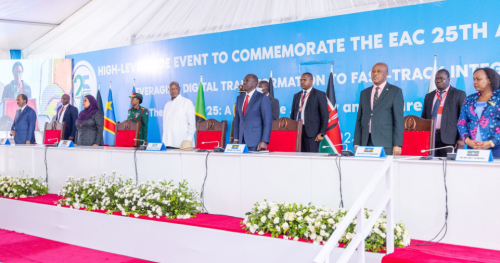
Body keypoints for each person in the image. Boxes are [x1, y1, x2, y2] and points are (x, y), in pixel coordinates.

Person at [354, 63, 404, 155]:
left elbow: (398, 120)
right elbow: (359, 119)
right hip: (365, 142)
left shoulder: (395, 91)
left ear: (386, 74)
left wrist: (397, 144)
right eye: (373, 71)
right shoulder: (364, 93)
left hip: (385, 142)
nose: (375, 74)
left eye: (379, 71)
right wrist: (356, 142)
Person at [421, 69, 466, 156]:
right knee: (431, 166)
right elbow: (424, 118)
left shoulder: (459, 94)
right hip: (431, 139)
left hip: (450, 139)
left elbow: (463, 118)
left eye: (441, 78)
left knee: (448, 167)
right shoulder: (429, 96)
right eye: (436, 79)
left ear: (449, 79)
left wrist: (461, 138)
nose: (438, 81)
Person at [457, 67, 500, 157]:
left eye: (478, 79)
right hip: (473, 148)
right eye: (474, 79)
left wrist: (492, 142)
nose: (475, 82)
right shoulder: (469, 99)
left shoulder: (498, 98)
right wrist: (468, 141)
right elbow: (461, 122)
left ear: (489, 80)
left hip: (496, 148)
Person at [290, 73, 328, 152]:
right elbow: (293, 114)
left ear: (311, 81)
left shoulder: (319, 94)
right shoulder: (296, 96)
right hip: (297, 131)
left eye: (304, 80)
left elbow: (324, 115)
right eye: (301, 80)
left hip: (312, 133)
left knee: (311, 157)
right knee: (298, 157)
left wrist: (321, 133)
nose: (302, 82)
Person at [233, 74, 272, 151]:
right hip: (241, 141)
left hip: (256, 142)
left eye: (246, 80)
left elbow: (267, 121)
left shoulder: (262, 98)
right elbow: (237, 120)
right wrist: (236, 138)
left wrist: (264, 141)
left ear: (254, 83)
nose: (244, 82)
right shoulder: (239, 98)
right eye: (244, 80)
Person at [162, 81, 196, 148]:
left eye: (175, 89)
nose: (173, 91)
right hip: (168, 144)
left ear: (179, 89)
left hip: (183, 145)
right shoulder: (167, 105)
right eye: (171, 89)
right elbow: (165, 125)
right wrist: (164, 141)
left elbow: (192, 125)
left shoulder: (187, 102)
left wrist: (187, 141)